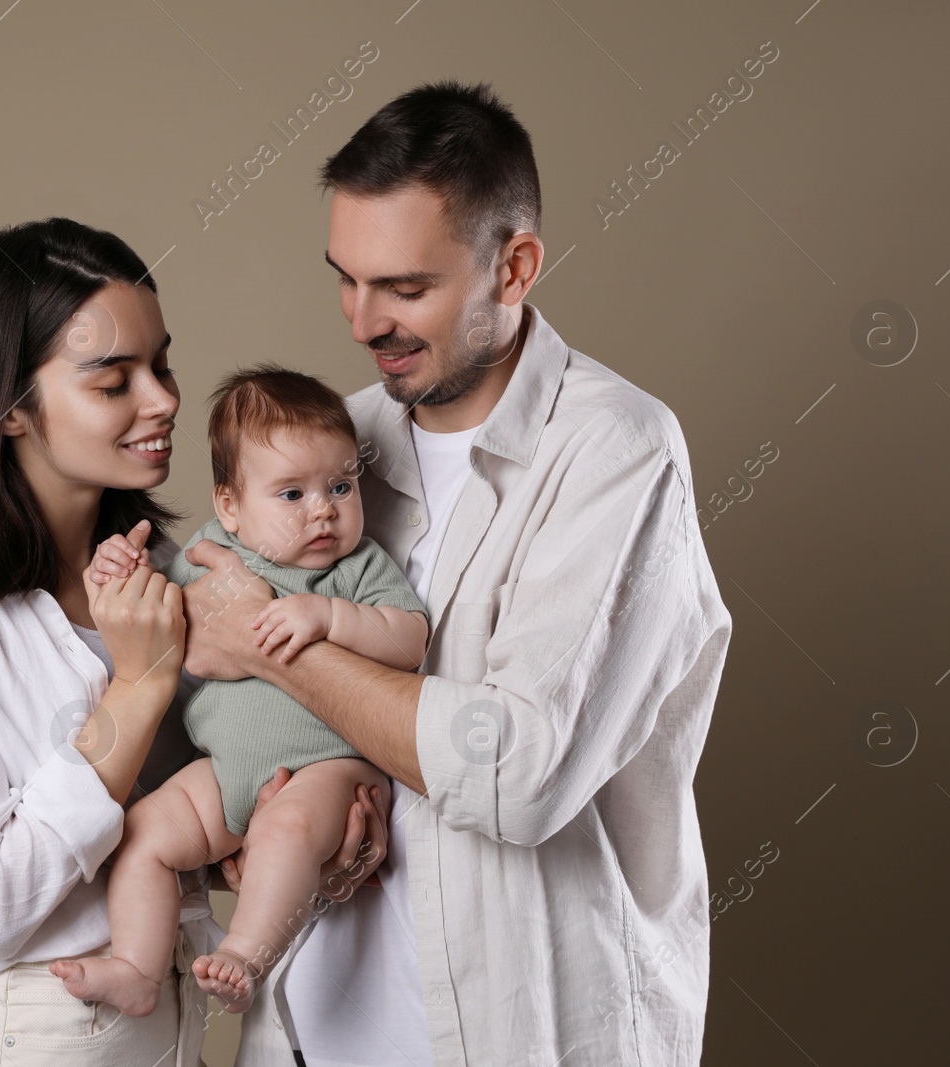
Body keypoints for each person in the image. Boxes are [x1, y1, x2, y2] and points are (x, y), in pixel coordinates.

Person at [174, 83, 734, 1066]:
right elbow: (211, 691)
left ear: (512, 267)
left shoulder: (614, 451)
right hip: (305, 1034)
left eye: (402, 287)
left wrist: (274, 646)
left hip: (522, 1036)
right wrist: (247, 831)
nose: (359, 320)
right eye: (343, 279)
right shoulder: (329, 446)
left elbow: (514, 771)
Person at [0, 218, 385, 1067]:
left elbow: (207, 810)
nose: (163, 399)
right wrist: (137, 685)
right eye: (112, 379)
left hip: (176, 1032)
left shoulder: (174, 574)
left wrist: (318, 828)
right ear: (10, 410)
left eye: (160, 363)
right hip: (40, 1037)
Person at [55, 366, 427, 1017]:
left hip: (328, 766)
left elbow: (410, 638)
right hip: (226, 772)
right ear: (230, 505)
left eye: (342, 485)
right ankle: (138, 965)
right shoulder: (205, 549)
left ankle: (247, 953)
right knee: (141, 834)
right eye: (292, 493)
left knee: (285, 829)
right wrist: (120, 571)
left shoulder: (356, 565)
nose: (324, 509)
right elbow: (157, 618)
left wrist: (329, 619)